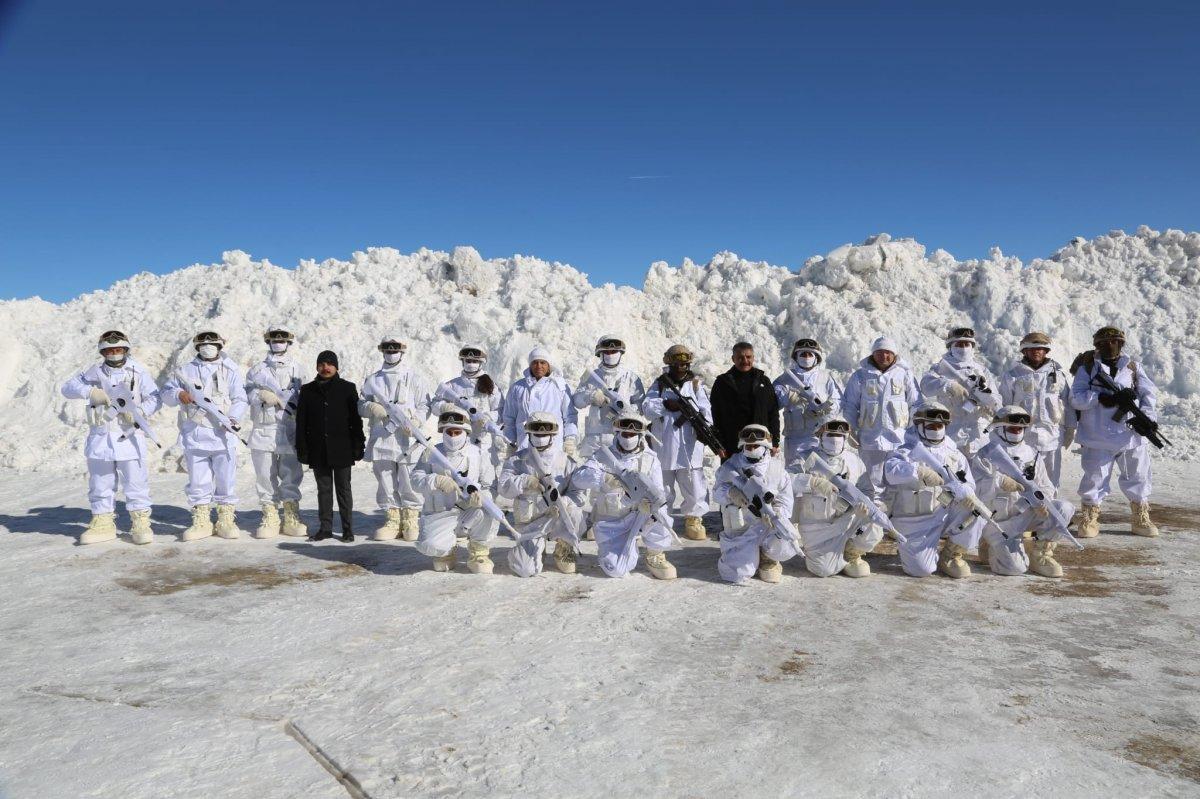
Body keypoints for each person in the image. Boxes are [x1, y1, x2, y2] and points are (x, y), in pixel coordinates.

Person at [60, 330, 162, 544]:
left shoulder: (138, 371)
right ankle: (103, 522)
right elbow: (68, 388)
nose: (114, 353)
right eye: (109, 350)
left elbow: (154, 398)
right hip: (101, 437)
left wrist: (140, 411)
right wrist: (90, 392)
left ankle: (140, 522)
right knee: (100, 483)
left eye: (118, 349)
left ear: (125, 349)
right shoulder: (94, 372)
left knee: (136, 482)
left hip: (130, 435)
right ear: (102, 352)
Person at [1070, 326, 1159, 538]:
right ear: (1096, 346)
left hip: (1130, 436)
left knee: (1137, 476)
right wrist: (1099, 398)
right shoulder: (1087, 368)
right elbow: (1076, 398)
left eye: (1114, 342)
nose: (1109, 346)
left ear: (1121, 344)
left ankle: (1140, 517)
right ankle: (1090, 517)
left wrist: (1147, 419)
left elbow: (1149, 396)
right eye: (1103, 343)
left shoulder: (1133, 367)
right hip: (1097, 436)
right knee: (1094, 479)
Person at [161, 331, 249, 541]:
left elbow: (240, 398)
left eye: (212, 344)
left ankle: (225, 519)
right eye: (203, 344)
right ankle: (201, 519)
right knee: (198, 480)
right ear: (197, 347)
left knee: (225, 479)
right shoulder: (185, 370)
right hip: (196, 433)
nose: (208, 348)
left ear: (220, 346)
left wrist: (233, 419)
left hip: (223, 433)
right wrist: (178, 394)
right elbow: (166, 392)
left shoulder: (230, 370)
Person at [569, 412, 677, 580]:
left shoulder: (650, 460)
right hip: (611, 524)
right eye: (625, 433)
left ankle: (655, 554)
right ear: (617, 433)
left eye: (633, 434)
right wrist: (604, 478)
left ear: (641, 435)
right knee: (616, 570)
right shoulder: (602, 456)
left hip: (640, 517)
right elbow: (578, 478)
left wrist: (649, 504)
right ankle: (619, 549)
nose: (629, 437)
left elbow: (658, 490)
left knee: (661, 512)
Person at [883, 402, 984, 578]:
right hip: (915, 521)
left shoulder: (955, 455)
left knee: (976, 511)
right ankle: (911, 550)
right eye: (931, 426)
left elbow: (969, 482)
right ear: (919, 426)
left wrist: (966, 491)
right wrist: (918, 471)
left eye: (940, 425)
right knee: (921, 570)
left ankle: (951, 555)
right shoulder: (906, 451)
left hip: (944, 513)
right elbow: (891, 471)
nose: (936, 429)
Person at [974, 406, 1076, 578]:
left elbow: (1046, 486)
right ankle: (989, 543)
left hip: (1027, 514)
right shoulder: (985, 455)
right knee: (1014, 569)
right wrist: (999, 481)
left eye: (1021, 429)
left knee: (1064, 509)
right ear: (999, 428)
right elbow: (976, 492)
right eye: (1013, 428)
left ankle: (1040, 553)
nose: (1017, 432)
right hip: (998, 522)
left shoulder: (1032, 454)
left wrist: (1042, 501)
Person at [789, 417, 883, 578]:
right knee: (823, 570)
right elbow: (785, 481)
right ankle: (832, 557)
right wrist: (811, 482)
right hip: (816, 529)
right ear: (820, 436)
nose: (835, 439)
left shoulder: (854, 461)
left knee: (876, 523)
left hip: (847, 522)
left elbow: (866, 490)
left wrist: (862, 506)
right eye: (830, 435)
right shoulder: (804, 458)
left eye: (839, 436)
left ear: (846, 438)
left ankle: (851, 552)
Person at [359, 336, 432, 542]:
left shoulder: (415, 378)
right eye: (387, 350)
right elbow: (361, 404)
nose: (391, 353)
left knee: (408, 480)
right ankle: (392, 518)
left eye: (395, 349)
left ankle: (410, 518)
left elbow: (424, 405)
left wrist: (415, 421)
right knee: (385, 479)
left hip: (406, 438)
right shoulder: (373, 380)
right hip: (382, 437)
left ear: (402, 350)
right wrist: (371, 407)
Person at [497, 412, 585, 576]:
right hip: (530, 522)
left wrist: (564, 502)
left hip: (557, 517)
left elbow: (579, 494)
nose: (541, 434)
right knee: (524, 569)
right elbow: (502, 488)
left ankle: (564, 547)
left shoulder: (567, 461)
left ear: (553, 433)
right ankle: (536, 548)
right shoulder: (517, 460)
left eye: (545, 431)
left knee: (575, 512)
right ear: (528, 432)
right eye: (536, 430)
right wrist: (524, 481)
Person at [412, 409, 500, 573]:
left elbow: (490, 486)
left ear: (466, 432)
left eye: (457, 432)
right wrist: (434, 480)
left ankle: (479, 551)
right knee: (430, 545)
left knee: (489, 510)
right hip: (440, 512)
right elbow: (415, 479)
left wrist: (481, 496)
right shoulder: (431, 452)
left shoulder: (479, 454)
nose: (453, 436)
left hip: (470, 511)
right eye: (449, 432)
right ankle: (446, 551)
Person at [642, 344, 713, 541]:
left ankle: (694, 518)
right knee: (663, 486)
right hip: (664, 445)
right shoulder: (659, 385)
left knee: (693, 483)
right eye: (678, 363)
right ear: (670, 364)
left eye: (685, 363)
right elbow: (647, 408)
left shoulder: (696, 386)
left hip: (690, 445)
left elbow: (708, 412)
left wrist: (696, 416)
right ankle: (661, 517)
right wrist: (666, 404)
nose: (682, 367)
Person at [712, 424, 799, 584]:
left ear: (766, 445)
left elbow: (786, 501)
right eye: (748, 446)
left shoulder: (777, 469)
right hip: (741, 530)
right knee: (736, 574)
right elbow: (716, 492)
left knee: (786, 539)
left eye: (756, 445)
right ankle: (744, 554)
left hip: (768, 527)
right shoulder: (731, 465)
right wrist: (730, 493)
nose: (752, 448)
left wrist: (777, 513)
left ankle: (768, 558)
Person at [244, 326, 308, 538]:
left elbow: (307, 397)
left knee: (291, 473)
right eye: (274, 339)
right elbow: (246, 395)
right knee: (264, 474)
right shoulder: (257, 370)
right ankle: (270, 514)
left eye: (282, 339)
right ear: (268, 342)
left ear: (289, 342)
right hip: (264, 428)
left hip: (290, 427)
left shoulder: (299, 369)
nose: (278, 343)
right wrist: (260, 394)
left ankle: (291, 513)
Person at [294, 350, 364, 542]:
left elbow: (355, 421)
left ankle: (347, 529)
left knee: (343, 489)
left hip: (342, 447)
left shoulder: (347, 388)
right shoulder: (308, 390)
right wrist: (302, 447)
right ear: (317, 367)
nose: (325, 368)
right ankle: (325, 528)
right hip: (318, 449)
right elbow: (301, 422)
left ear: (336, 367)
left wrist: (358, 444)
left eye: (329, 364)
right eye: (322, 364)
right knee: (323, 490)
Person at [841, 337, 921, 502]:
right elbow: (850, 405)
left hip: (900, 440)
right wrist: (852, 430)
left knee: (898, 482)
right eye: (879, 352)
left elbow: (916, 404)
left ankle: (895, 519)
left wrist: (915, 431)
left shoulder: (904, 374)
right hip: (871, 440)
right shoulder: (861, 375)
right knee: (872, 484)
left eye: (887, 353)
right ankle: (874, 523)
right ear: (873, 354)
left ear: (894, 354)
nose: (883, 356)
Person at [1000, 332, 1075, 488]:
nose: (1036, 351)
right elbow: (1005, 407)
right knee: (1022, 480)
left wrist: (1070, 428)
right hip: (1023, 438)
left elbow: (1068, 404)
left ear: (1046, 351)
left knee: (1051, 480)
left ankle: (1051, 510)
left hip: (1052, 437)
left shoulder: (1058, 375)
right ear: (1024, 351)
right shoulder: (1013, 376)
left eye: (1040, 348)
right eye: (1031, 348)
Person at [919, 326, 1002, 460]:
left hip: (978, 432)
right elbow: (926, 385)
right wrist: (948, 385)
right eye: (959, 344)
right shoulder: (941, 367)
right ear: (950, 346)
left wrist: (989, 402)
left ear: (972, 346)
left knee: (982, 473)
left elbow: (997, 399)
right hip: (952, 430)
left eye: (966, 344)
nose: (963, 347)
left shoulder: (981, 370)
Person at [431, 344, 505, 488]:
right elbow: (434, 405)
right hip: (458, 438)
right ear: (462, 362)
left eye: (474, 361)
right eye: (468, 361)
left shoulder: (491, 386)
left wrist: (487, 417)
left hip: (484, 440)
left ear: (481, 362)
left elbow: (501, 410)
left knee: (487, 477)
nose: (471, 364)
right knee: (458, 473)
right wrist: (445, 407)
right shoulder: (452, 386)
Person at [571, 334, 646, 459]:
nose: (611, 354)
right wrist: (590, 396)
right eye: (607, 352)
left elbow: (641, 406)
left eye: (614, 351)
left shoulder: (631, 378)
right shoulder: (590, 376)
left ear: (621, 353)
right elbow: (576, 400)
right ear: (600, 354)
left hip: (619, 437)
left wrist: (625, 412)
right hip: (594, 437)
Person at [772, 338, 843, 463]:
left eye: (810, 354)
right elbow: (773, 404)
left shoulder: (826, 378)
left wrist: (826, 410)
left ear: (816, 358)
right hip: (794, 440)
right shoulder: (785, 379)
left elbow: (838, 402)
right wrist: (789, 397)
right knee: (796, 474)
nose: (806, 357)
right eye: (803, 354)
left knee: (819, 475)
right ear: (796, 357)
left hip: (819, 437)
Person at [710, 342, 779, 461]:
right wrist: (718, 444)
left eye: (748, 357)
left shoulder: (763, 381)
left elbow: (772, 412)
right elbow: (716, 415)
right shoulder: (722, 383)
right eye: (740, 357)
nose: (745, 360)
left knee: (760, 478)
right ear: (733, 359)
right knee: (732, 478)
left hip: (760, 441)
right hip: (732, 444)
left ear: (753, 357)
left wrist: (775, 441)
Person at [502, 346, 577, 452]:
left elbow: (569, 416)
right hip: (525, 445)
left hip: (554, 445)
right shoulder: (517, 388)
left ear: (548, 365)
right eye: (535, 362)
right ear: (530, 365)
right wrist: (509, 442)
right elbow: (509, 419)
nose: (539, 366)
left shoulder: (560, 386)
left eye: (543, 362)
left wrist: (570, 438)